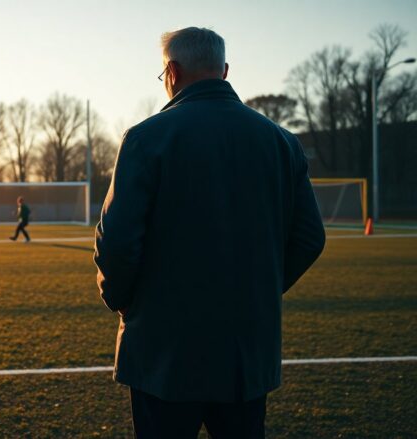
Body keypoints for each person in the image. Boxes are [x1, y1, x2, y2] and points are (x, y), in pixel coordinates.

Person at [94, 27, 325, 438]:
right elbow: (309, 237)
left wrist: (126, 304)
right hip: (245, 352)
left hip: (163, 351)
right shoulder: (281, 142)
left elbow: (116, 245)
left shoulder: (146, 138)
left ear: (171, 72)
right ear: (225, 71)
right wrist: (258, 292)